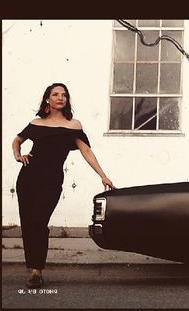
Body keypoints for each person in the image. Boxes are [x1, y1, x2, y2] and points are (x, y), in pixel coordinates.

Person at [11, 83, 115, 289]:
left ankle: (36, 268)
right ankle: (35, 271)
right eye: (55, 94)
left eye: (64, 95)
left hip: (51, 180)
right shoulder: (36, 122)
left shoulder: (73, 125)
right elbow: (17, 140)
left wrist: (103, 176)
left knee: (39, 223)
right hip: (28, 177)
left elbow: (87, 152)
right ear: (47, 100)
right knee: (29, 223)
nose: (60, 97)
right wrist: (17, 155)